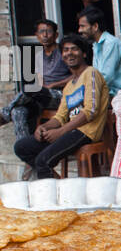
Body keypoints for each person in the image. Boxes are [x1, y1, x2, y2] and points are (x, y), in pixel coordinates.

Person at [14, 34, 108, 179]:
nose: (69, 53)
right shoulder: (69, 87)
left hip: (86, 132)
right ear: (62, 56)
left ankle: (56, 197)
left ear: (83, 53)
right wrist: (45, 127)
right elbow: (60, 116)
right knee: (22, 147)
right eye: (65, 50)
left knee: (43, 161)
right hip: (70, 131)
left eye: (74, 49)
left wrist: (61, 131)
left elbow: (90, 111)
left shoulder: (91, 73)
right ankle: (58, 182)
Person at [0, 19, 70, 140]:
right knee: (17, 111)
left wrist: (54, 85)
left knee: (30, 88)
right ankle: (24, 148)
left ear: (56, 35)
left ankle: (4, 114)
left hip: (62, 95)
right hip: (43, 96)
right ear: (37, 35)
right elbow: (39, 79)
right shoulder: (38, 56)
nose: (45, 35)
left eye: (48, 31)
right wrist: (41, 88)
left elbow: (78, 75)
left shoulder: (65, 52)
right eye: (41, 32)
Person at [77, 7, 121, 96]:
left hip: (120, 94)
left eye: (83, 26)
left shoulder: (111, 43)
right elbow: (96, 76)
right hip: (105, 93)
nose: (79, 30)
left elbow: (106, 77)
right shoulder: (96, 45)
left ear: (95, 26)